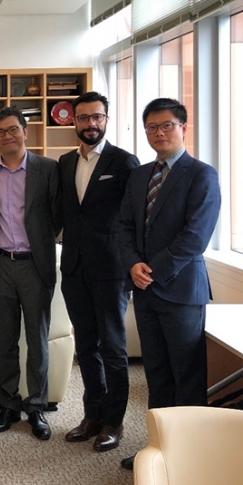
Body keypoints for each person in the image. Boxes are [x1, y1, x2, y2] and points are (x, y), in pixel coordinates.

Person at [118, 98, 221, 470]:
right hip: (144, 289)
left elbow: (195, 237)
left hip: (180, 290)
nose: (158, 133)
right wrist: (132, 264)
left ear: (183, 128)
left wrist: (152, 270)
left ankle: (191, 458)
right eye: (151, 127)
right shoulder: (140, 174)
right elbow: (125, 226)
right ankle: (159, 450)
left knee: (187, 375)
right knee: (157, 374)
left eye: (166, 126)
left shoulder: (201, 174)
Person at [58, 92, 140, 452]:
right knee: (85, 345)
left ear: (106, 119)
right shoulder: (64, 162)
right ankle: (91, 415)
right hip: (74, 267)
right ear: (72, 121)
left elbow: (133, 217)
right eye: (83, 118)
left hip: (110, 268)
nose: (90, 124)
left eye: (97, 117)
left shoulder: (125, 162)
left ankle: (113, 421)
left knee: (113, 347)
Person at [0, 107, 62, 441]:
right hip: (0, 263)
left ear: (25, 132)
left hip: (35, 264)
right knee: (5, 340)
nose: (7, 136)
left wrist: (43, 242)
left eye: (13, 129)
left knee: (37, 340)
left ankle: (37, 406)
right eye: (0, 131)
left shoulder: (48, 169)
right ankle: (8, 404)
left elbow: (58, 215)